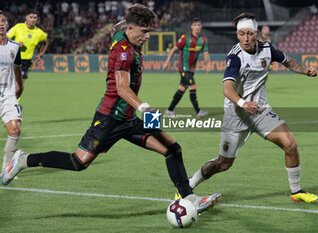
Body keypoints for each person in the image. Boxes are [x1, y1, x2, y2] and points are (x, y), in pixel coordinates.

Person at [2, 4, 221, 213]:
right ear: (132, 28)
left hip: (129, 119)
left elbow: (116, 29)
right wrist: (145, 107)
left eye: (149, 32)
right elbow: (123, 89)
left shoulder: (123, 36)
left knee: (172, 148)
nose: (147, 36)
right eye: (144, 32)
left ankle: (190, 198)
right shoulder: (123, 52)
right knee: (78, 162)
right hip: (109, 119)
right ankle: (23, 159)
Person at [188, 12, 318, 203]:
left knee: (290, 144)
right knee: (223, 164)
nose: (246, 38)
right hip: (236, 114)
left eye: (250, 33)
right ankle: (188, 185)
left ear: (256, 33)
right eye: (241, 34)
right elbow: (227, 89)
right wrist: (243, 103)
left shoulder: (267, 49)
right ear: (237, 34)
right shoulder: (235, 57)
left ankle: (296, 191)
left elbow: (288, 61)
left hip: (260, 111)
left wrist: (305, 70)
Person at [163, 17, 210, 118]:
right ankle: (198, 111)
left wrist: (208, 64)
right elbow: (173, 50)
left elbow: (206, 53)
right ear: (191, 26)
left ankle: (170, 110)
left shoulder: (203, 40)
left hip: (191, 69)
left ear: (201, 27)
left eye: (199, 25)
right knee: (192, 86)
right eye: (195, 25)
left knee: (182, 89)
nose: (197, 27)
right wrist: (167, 62)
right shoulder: (185, 38)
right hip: (184, 68)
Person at [0, 11, 24, 175]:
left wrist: (19, 89)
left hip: (7, 94)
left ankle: (6, 168)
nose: (1, 23)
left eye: (3, 20)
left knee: (15, 129)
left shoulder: (14, 47)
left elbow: (17, 70)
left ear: (8, 25)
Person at [7, 9, 48, 81]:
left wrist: (40, 54)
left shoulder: (39, 33)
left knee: (19, 87)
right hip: (13, 59)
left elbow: (46, 43)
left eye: (35, 17)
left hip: (26, 63)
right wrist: (15, 44)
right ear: (26, 17)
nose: (33, 20)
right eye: (31, 17)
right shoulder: (18, 27)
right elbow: (4, 39)